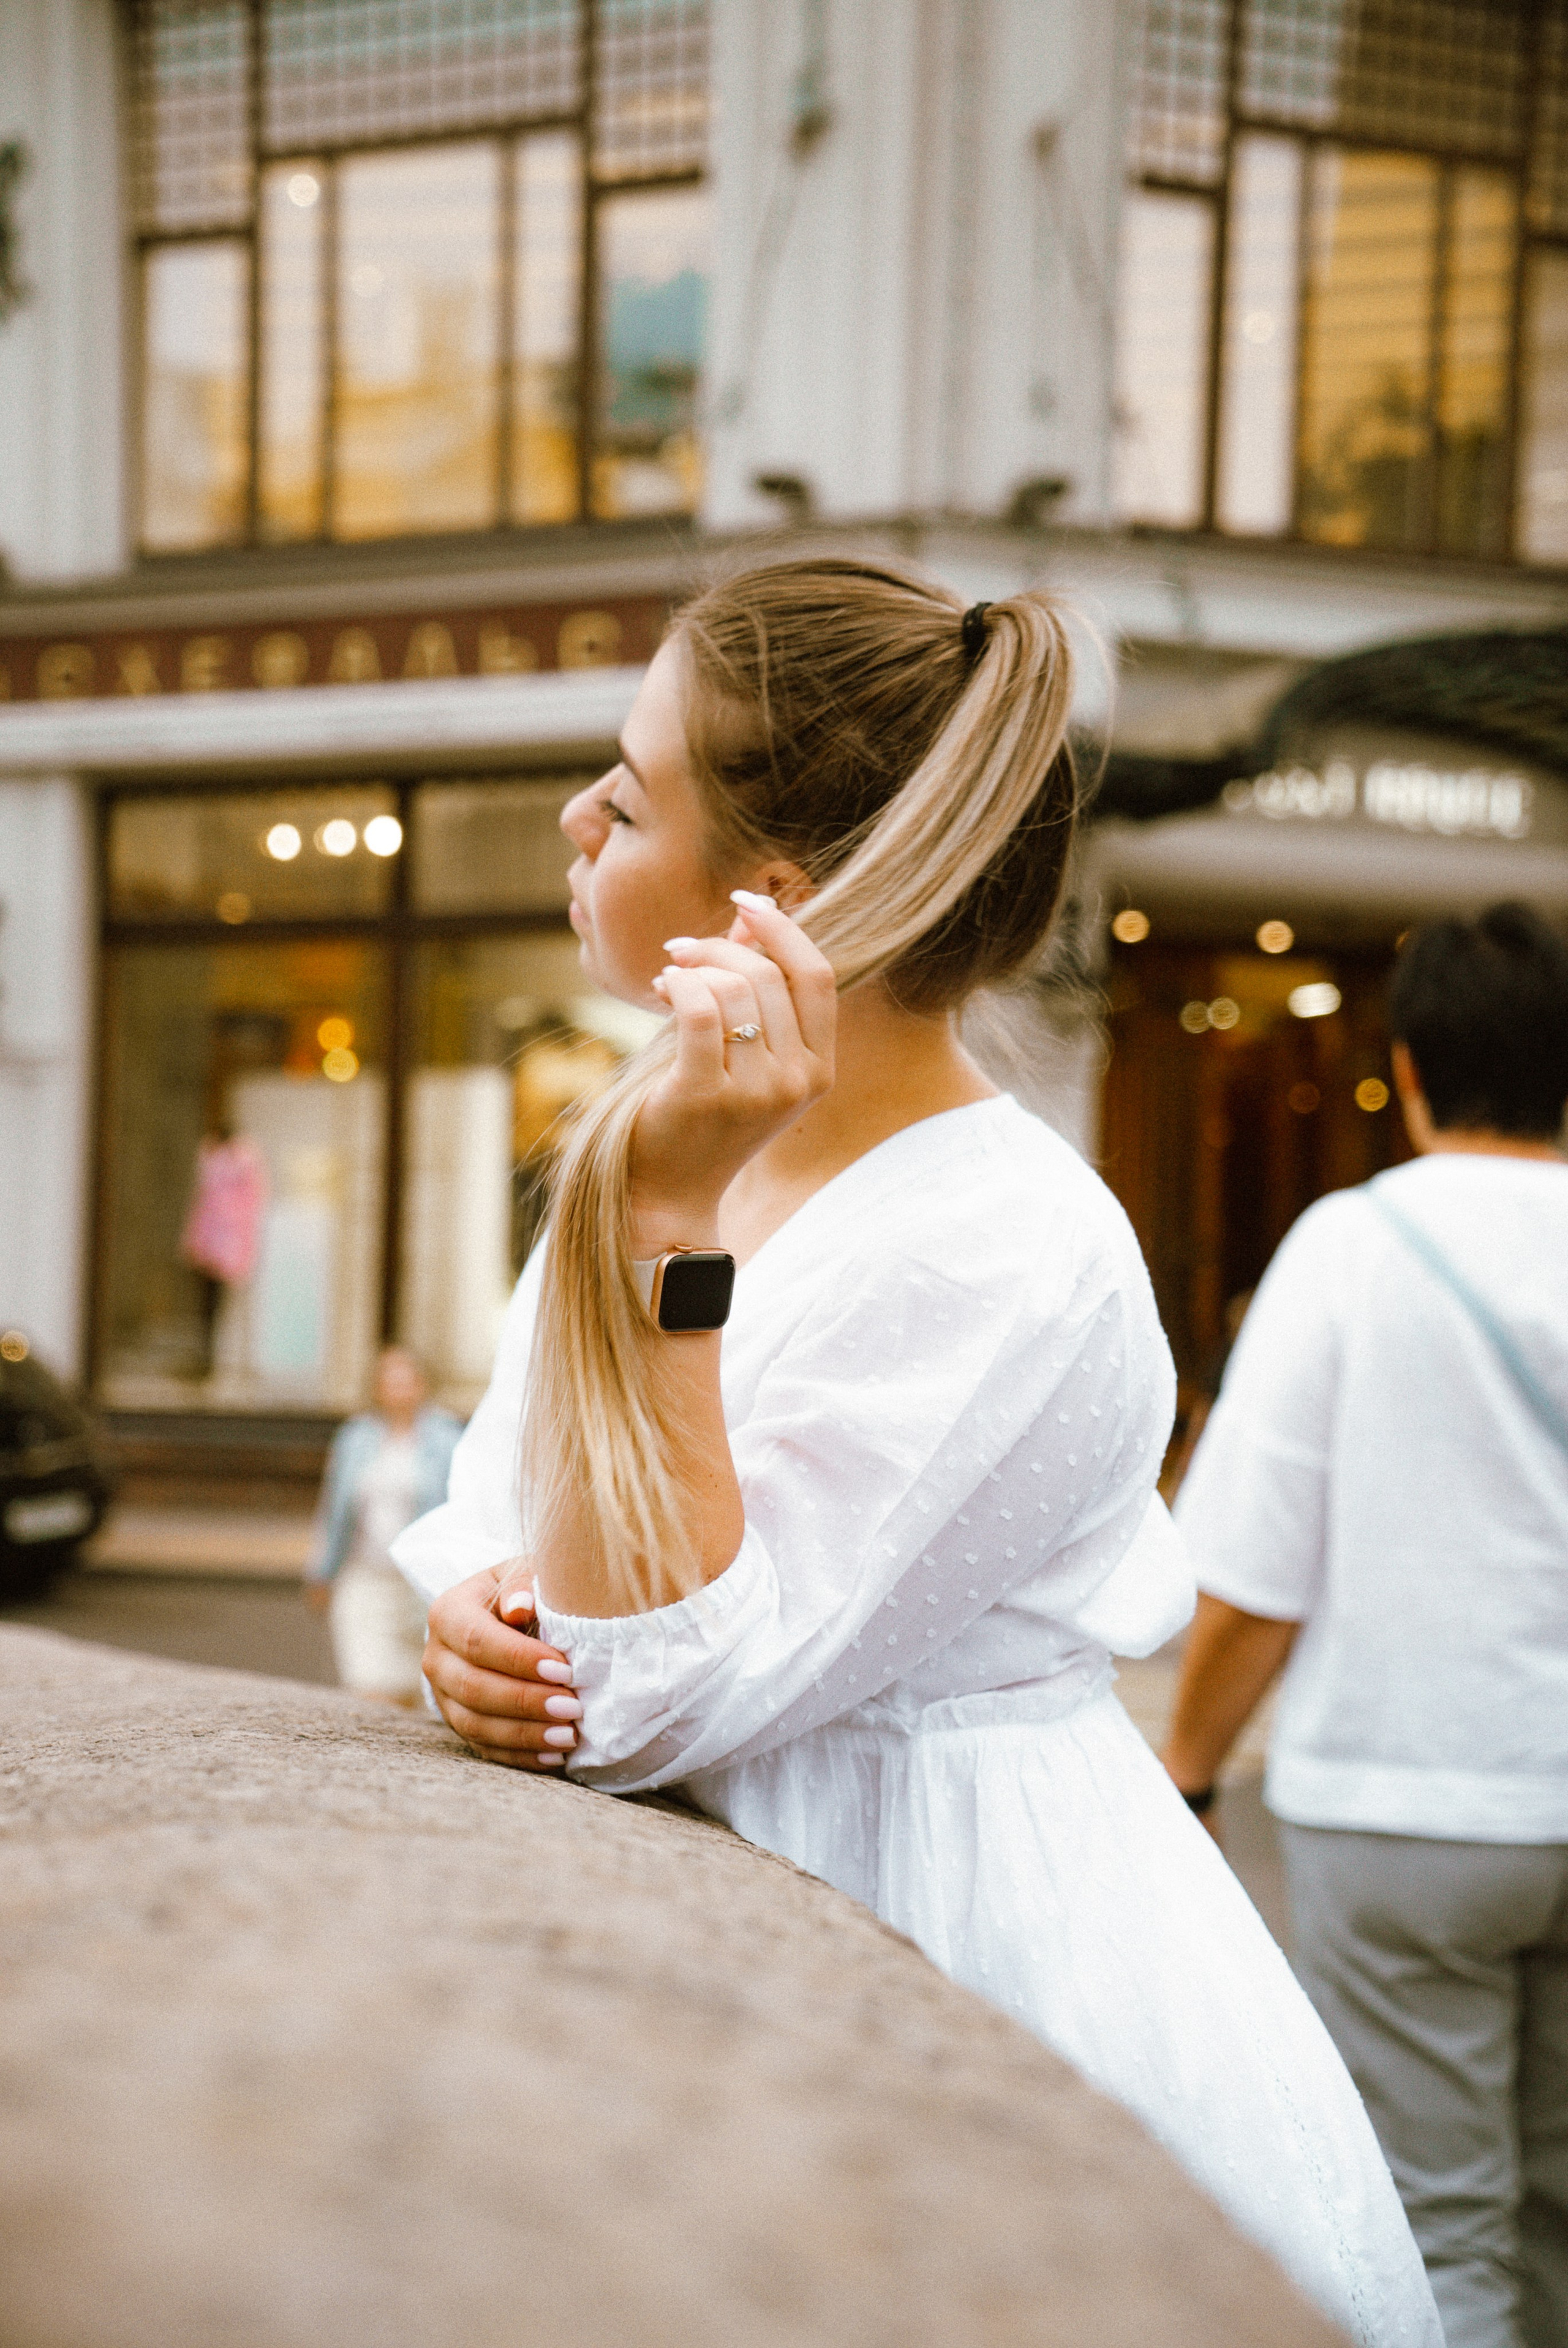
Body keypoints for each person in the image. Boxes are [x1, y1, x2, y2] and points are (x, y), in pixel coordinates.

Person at [394, 560, 1440, 2346]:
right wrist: (461, 1617)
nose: (576, 814)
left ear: (774, 901)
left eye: (628, 791)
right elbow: (504, 1517)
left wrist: (659, 1219)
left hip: (956, 1949)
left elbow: (638, 1688)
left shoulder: (996, 1243)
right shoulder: (670, 1137)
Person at [1165, 904, 1568, 2348]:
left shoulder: (1349, 1247)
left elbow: (1253, 1573)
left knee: (1435, 2220)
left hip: (1400, 1807)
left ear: (1402, 1070)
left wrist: (1190, 1770)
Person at [306, 1346, 461, 1705]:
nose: (399, 1390)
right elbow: (334, 1510)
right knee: (369, 1686)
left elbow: (456, 1512)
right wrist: (322, 1571)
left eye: (407, 1381)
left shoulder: (447, 1437)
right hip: (364, 1579)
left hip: (419, 1585)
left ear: (424, 1385)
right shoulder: (356, 1437)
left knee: (414, 1691)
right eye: (390, 1382)